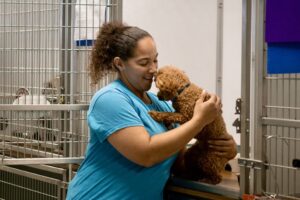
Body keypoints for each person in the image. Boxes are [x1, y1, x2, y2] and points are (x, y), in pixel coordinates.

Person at [66, 21, 237, 200]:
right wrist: (199, 120)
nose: (154, 70)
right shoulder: (110, 99)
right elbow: (146, 154)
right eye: (144, 63)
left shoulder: (161, 105)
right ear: (119, 64)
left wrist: (223, 150)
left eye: (155, 60)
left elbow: (179, 164)